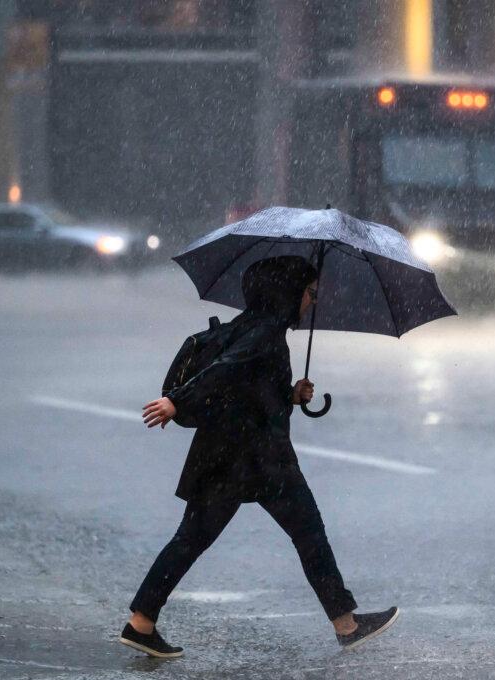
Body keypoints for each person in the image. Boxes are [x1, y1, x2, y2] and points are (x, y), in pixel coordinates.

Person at [123, 256, 398, 657]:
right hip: (260, 458)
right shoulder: (265, 334)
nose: (311, 301)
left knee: (193, 539)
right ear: (287, 292)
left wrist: (290, 394)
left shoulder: (247, 327)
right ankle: (346, 623)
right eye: (309, 292)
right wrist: (176, 402)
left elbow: (246, 390)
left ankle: (141, 621)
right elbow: (225, 369)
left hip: (226, 454)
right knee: (308, 533)